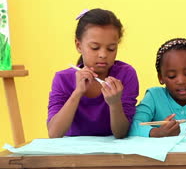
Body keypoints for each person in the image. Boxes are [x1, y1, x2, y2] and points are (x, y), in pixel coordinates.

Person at [47, 8, 139, 138]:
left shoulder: (126, 74)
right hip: (71, 154)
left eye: (111, 48)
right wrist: (77, 93)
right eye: (95, 48)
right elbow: (54, 133)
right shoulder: (62, 79)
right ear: (79, 45)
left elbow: (121, 133)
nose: (103, 55)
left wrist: (114, 103)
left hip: (112, 154)